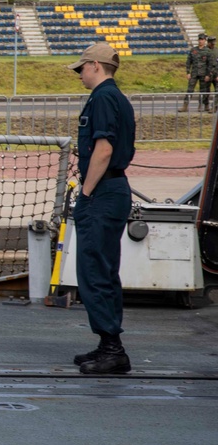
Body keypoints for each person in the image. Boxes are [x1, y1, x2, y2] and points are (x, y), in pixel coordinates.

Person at [67, 42, 135, 375]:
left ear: (95, 65)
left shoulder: (103, 98)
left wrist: (87, 191)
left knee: (95, 271)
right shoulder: (117, 97)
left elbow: (103, 149)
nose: (80, 74)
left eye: (82, 68)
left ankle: (113, 349)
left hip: (104, 191)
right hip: (114, 190)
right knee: (104, 270)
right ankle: (107, 344)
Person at [180, 32, 213, 112]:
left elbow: (210, 64)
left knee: (203, 90)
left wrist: (208, 75)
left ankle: (201, 105)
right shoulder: (193, 50)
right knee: (190, 89)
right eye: (199, 39)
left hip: (203, 73)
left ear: (205, 41)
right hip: (194, 73)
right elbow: (188, 62)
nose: (200, 41)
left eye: (202, 39)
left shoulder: (208, 51)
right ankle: (185, 105)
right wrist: (188, 72)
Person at [207, 36, 218, 113]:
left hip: (216, 73)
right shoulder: (205, 51)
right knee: (206, 90)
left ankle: (214, 106)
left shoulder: (217, 51)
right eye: (211, 43)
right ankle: (205, 105)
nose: (213, 45)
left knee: (217, 90)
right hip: (207, 73)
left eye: (214, 43)